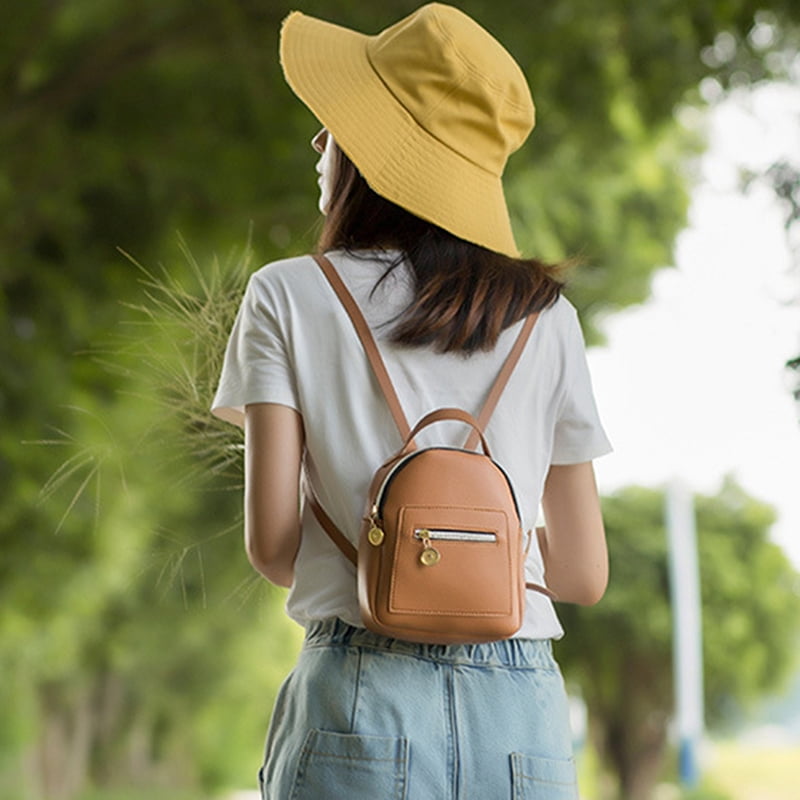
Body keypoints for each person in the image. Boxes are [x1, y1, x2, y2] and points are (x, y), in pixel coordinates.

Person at [211, 4, 612, 798]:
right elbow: (583, 573)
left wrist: (399, 560)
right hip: (521, 714)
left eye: (336, 124)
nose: (319, 142)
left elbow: (274, 549)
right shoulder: (548, 319)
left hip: (358, 697)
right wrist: (475, 561)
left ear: (371, 152)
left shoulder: (289, 295)